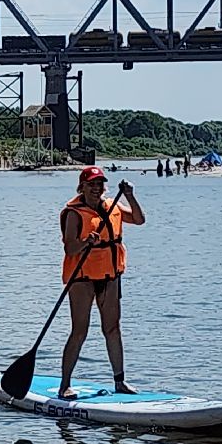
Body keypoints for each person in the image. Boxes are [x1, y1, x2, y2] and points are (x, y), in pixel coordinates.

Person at [59, 166, 146, 400]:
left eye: (100, 184)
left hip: (109, 276)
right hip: (83, 278)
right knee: (80, 331)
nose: (96, 188)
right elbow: (70, 247)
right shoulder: (74, 213)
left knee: (112, 328)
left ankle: (120, 381)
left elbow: (139, 220)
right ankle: (65, 384)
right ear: (82, 187)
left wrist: (129, 195)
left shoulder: (113, 206)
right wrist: (87, 241)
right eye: (91, 184)